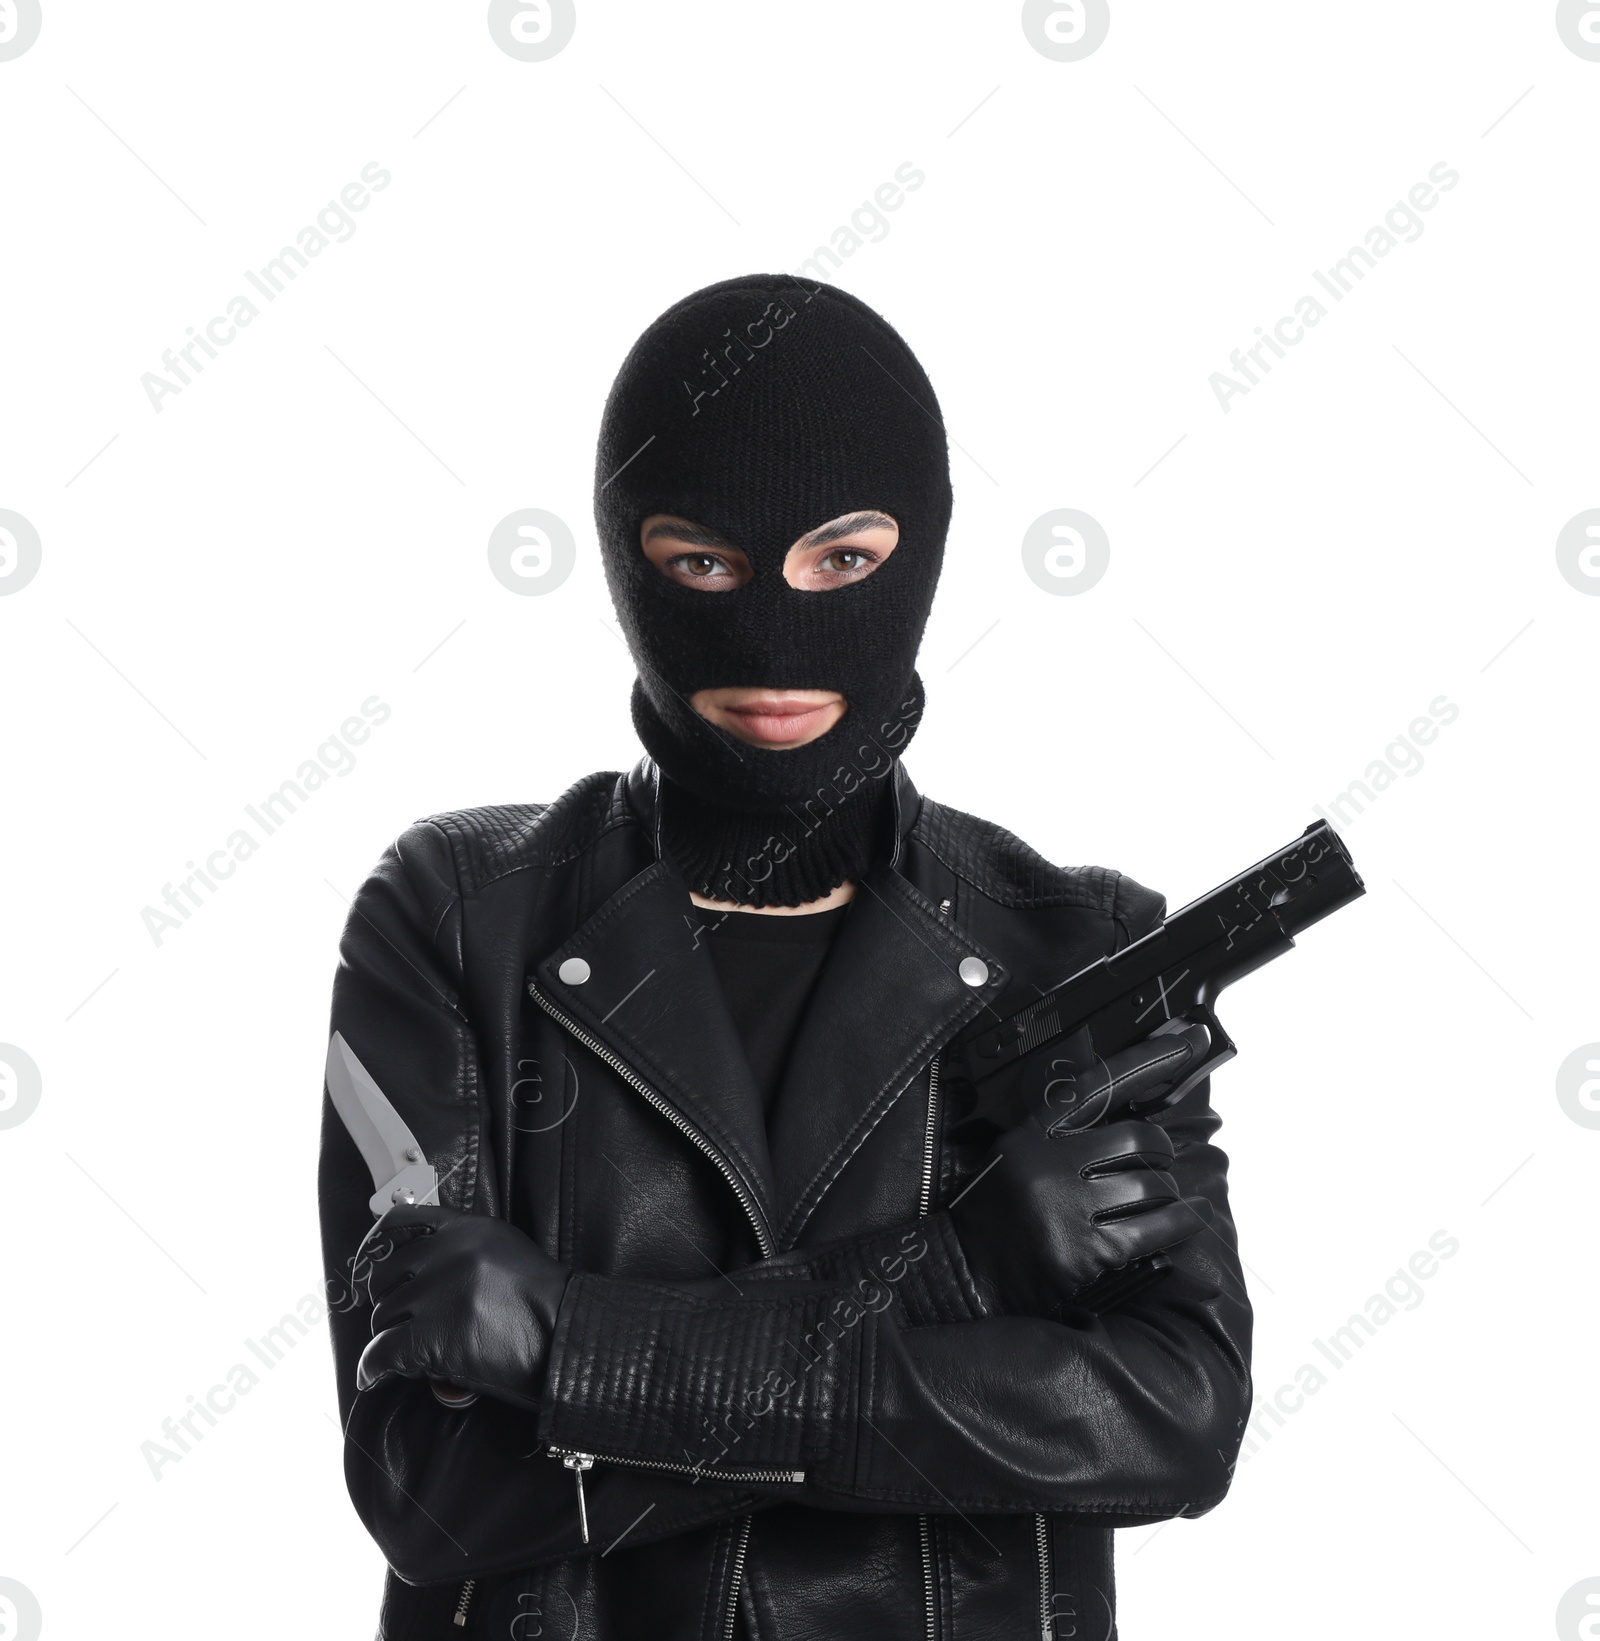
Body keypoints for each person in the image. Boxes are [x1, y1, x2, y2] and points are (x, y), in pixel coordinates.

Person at [319, 274, 1252, 1640]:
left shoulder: (1086, 949)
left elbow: (1171, 1422)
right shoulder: (455, 913)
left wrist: (577, 1347)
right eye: (702, 562)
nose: (770, 640)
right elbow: (438, 1491)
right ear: (625, 556)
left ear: (922, 550)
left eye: (844, 560)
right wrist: (957, 1286)